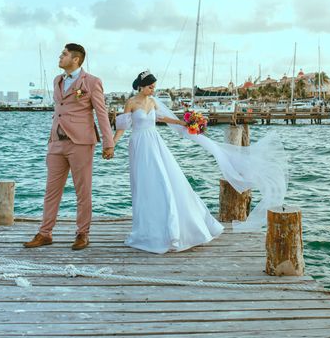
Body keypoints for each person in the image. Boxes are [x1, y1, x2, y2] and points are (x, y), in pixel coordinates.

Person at [113, 71, 224, 253]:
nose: (153, 89)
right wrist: (112, 144)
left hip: (154, 142)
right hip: (139, 144)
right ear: (141, 86)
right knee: (144, 184)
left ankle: (172, 227)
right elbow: (122, 127)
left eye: (154, 87)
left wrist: (183, 123)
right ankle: (148, 229)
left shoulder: (153, 101)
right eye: (151, 86)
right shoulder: (131, 103)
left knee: (164, 180)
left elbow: (162, 118)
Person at [24, 43, 114, 251]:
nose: (60, 57)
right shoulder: (57, 80)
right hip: (56, 141)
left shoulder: (92, 82)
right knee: (51, 190)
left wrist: (108, 143)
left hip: (81, 143)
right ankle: (45, 233)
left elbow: (101, 113)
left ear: (76, 59)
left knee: (83, 191)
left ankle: (83, 233)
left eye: (63, 54)